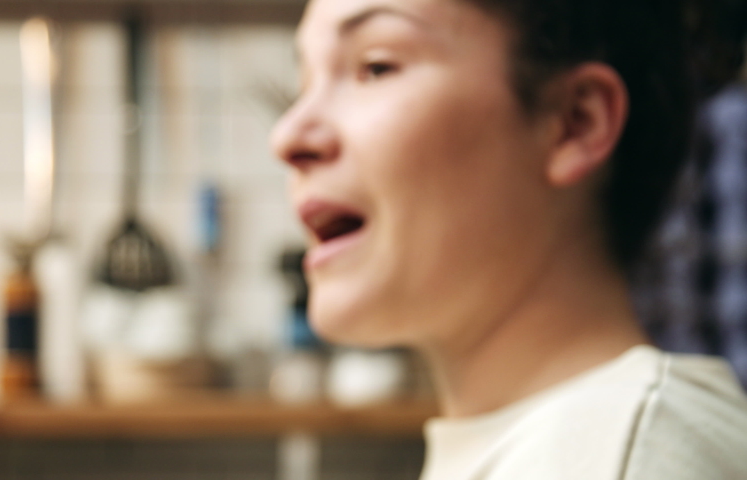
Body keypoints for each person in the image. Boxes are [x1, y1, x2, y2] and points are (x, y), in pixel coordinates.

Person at [270, 0, 747, 479]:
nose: (288, 137)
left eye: (376, 68)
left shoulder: (619, 448)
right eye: (305, 81)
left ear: (574, 121)